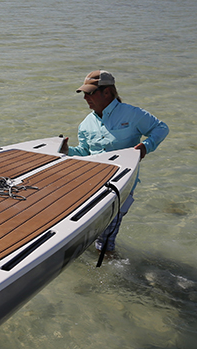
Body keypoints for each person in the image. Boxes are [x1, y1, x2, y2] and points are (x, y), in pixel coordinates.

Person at [66, 69, 168, 255]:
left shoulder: (132, 114)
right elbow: (84, 152)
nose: (85, 98)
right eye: (84, 93)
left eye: (90, 93)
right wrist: (66, 151)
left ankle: (108, 269)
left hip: (122, 186)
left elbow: (161, 128)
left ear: (107, 92)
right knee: (84, 231)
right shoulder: (85, 124)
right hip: (92, 184)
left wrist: (146, 146)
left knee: (105, 242)